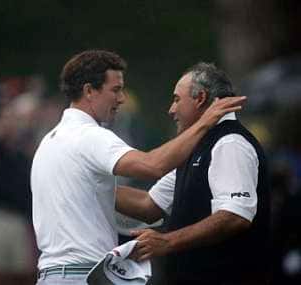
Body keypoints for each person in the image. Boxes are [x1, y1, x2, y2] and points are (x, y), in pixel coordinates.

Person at [30, 51, 245, 285]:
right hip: (83, 275)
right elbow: (152, 165)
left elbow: (144, 205)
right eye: (115, 89)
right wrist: (205, 122)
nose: (122, 98)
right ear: (89, 90)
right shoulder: (90, 136)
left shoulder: (49, 142)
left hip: (52, 276)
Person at [116, 62, 271, 285]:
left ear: (200, 98)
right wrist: (92, 186)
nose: (171, 109)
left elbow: (234, 217)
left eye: (177, 99)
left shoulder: (229, 143)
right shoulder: (199, 147)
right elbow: (148, 204)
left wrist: (167, 241)